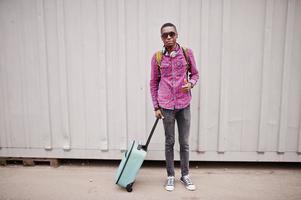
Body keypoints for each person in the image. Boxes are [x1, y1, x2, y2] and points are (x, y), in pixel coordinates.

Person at [150, 22, 199, 191]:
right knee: (169, 142)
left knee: (184, 142)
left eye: (172, 34)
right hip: (166, 106)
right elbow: (153, 82)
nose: (169, 37)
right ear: (162, 38)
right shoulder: (157, 57)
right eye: (165, 35)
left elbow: (195, 74)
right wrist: (156, 107)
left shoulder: (186, 53)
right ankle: (170, 176)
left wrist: (191, 84)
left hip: (184, 104)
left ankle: (185, 175)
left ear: (177, 35)